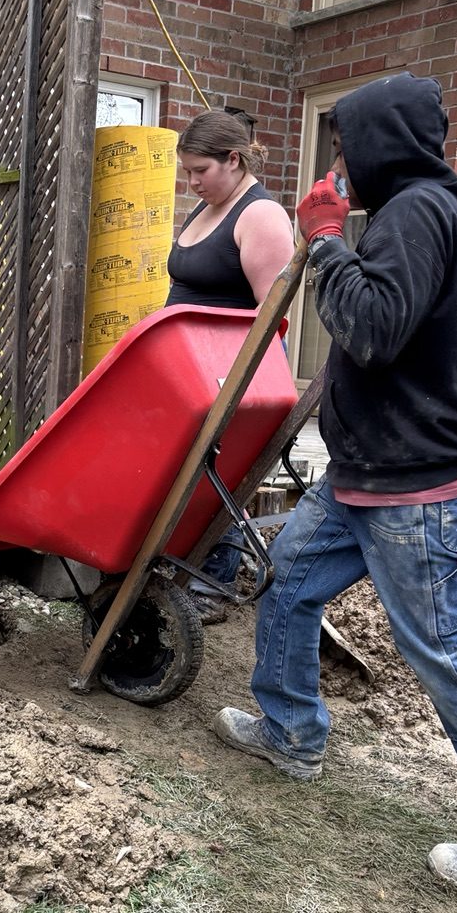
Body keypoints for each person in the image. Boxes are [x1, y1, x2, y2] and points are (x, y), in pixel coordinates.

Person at [211, 72, 457, 896]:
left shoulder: (412, 215)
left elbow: (370, 331)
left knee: (442, 647)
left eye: (346, 149)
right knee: (289, 578)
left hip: (413, 481)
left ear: (382, 144)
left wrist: (327, 242)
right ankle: (289, 730)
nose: (340, 166)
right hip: (369, 470)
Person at [166, 108, 296, 622]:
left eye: (201, 170)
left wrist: (235, 388)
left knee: (216, 474)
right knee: (180, 470)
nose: (192, 182)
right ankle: (183, 564)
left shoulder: (260, 216)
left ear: (234, 160)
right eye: (187, 171)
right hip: (187, 371)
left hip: (229, 374)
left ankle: (214, 582)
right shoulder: (207, 209)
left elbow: (273, 317)